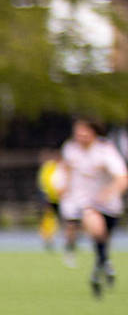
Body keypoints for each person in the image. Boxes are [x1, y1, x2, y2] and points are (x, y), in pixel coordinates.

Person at [59, 116, 125, 298]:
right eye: (77, 133)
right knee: (96, 229)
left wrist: (108, 193)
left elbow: (122, 178)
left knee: (103, 240)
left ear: (93, 133)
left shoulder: (105, 151)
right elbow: (66, 168)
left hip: (110, 205)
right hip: (87, 203)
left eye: (84, 132)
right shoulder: (71, 149)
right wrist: (63, 185)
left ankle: (102, 266)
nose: (80, 136)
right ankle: (100, 270)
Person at [38, 152, 67, 258]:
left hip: (61, 198)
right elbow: (45, 183)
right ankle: (47, 238)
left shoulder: (61, 167)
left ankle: (68, 239)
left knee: (64, 219)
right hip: (51, 198)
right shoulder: (49, 167)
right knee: (49, 218)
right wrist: (46, 195)